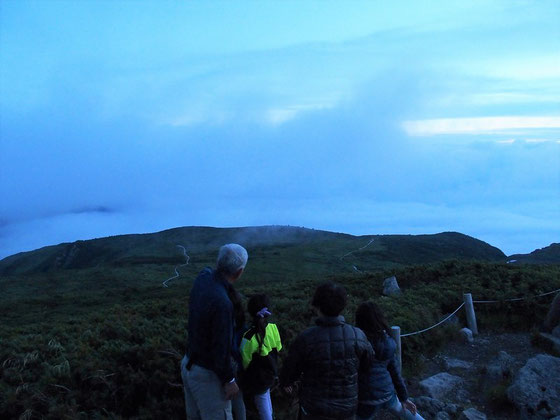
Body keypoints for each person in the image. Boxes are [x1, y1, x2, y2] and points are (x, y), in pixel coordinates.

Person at [280, 282, 374, 420]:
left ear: (317, 306)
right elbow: (368, 365)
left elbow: (288, 374)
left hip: (314, 409)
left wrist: (287, 384)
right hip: (348, 408)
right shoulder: (358, 336)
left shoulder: (306, 338)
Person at [180, 243, 248, 420]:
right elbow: (221, 348)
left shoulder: (203, 276)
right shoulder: (223, 305)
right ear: (239, 272)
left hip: (189, 363)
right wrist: (229, 380)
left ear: (218, 261)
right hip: (207, 376)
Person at [355, 301, 424, 420]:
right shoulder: (388, 341)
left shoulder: (358, 343)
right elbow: (395, 372)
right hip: (387, 392)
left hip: (366, 398)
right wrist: (404, 398)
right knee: (402, 409)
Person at [239, 294, 282, 420]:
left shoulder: (247, 338)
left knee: (264, 410)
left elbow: (245, 361)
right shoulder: (274, 328)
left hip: (257, 380)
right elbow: (278, 348)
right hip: (271, 374)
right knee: (267, 404)